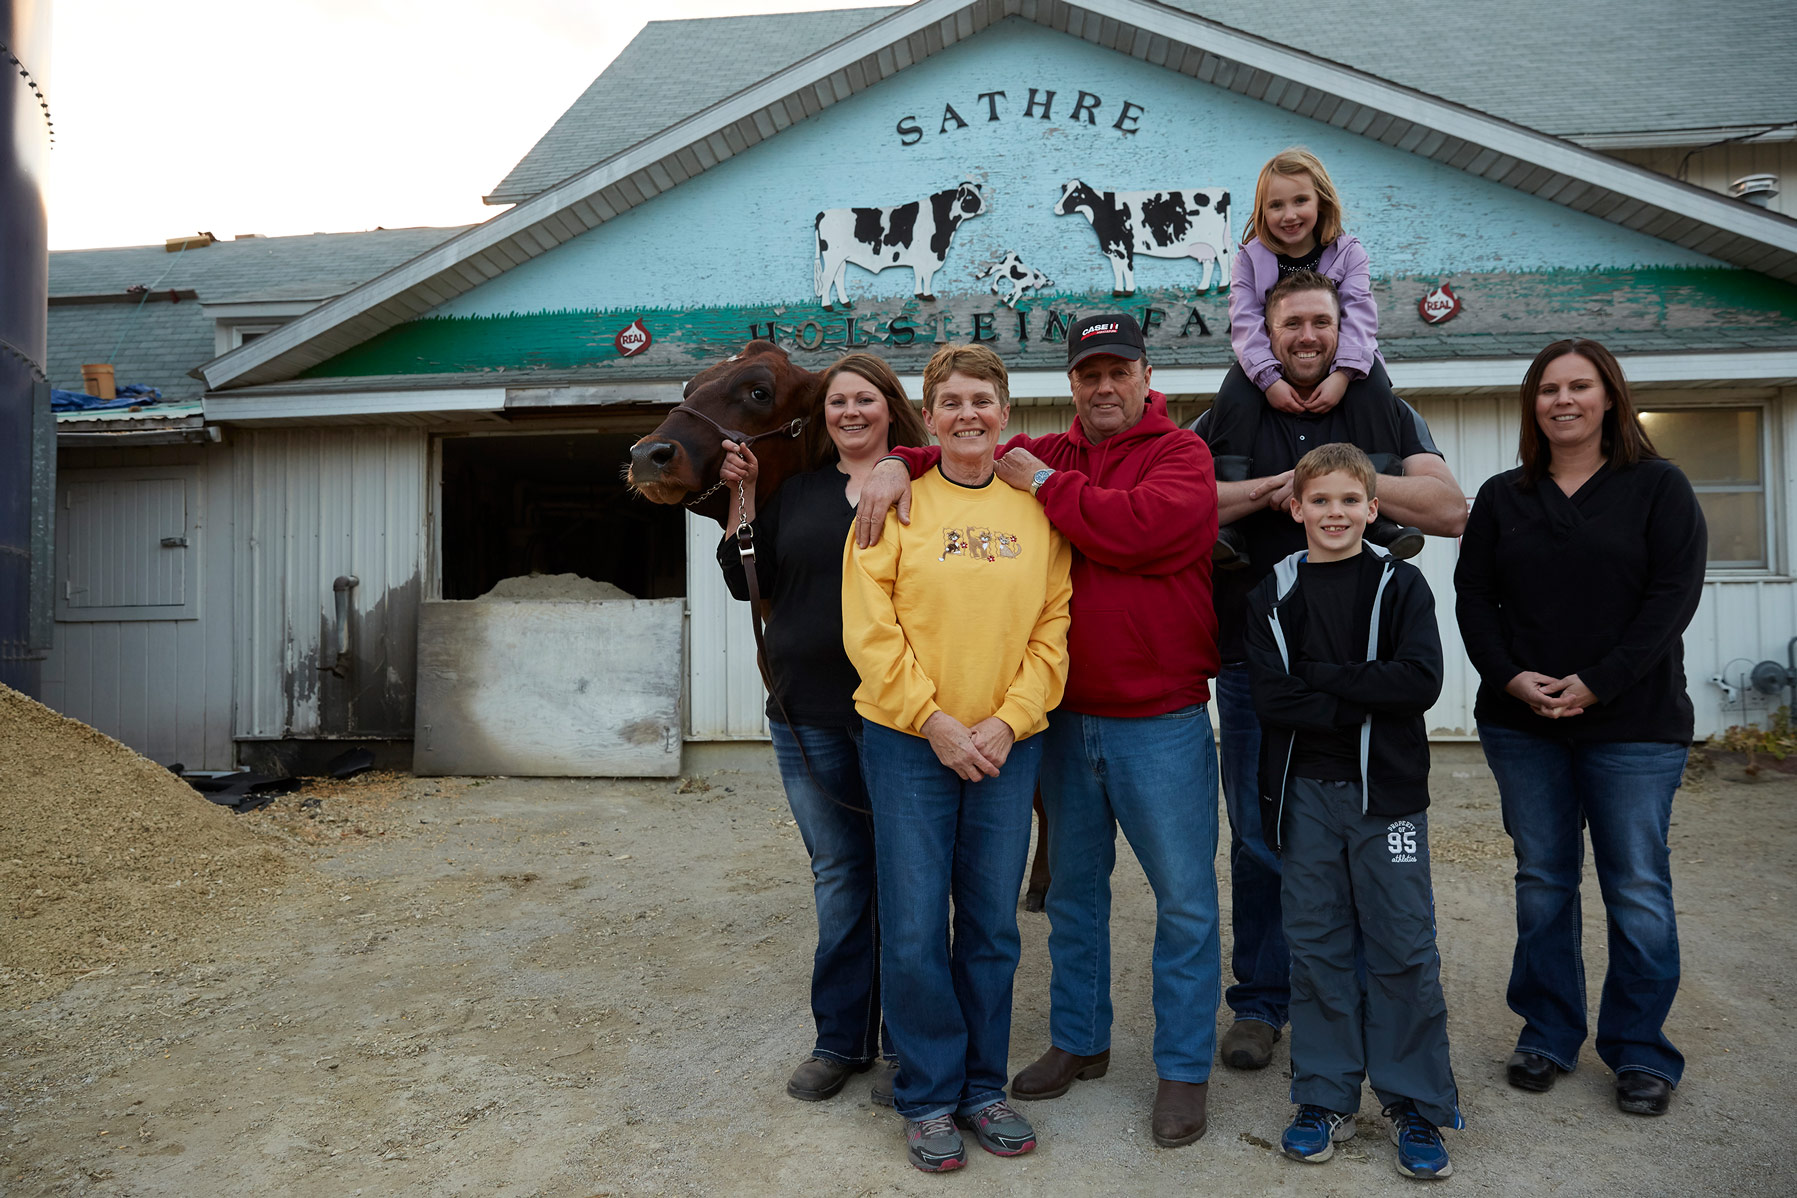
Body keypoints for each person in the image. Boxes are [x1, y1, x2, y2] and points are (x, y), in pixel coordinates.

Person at [856, 314, 1223, 1149]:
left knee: (1185, 904)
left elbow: (1143, 532)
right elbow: (960, 449)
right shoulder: (1045, 454)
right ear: (1069, 384)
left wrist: (1045, 488)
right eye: (1087, 374)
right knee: (1071, 897)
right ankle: (1079, 1042)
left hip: (1158, 719)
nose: (1103, 386)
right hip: (1061, 723)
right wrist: (890, 461)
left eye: (1116, 371)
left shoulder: (1180, 457)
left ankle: (1180, 1072)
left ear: (1143, 373)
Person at [1192, 270, 1468, 1074]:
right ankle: (1262, 1003)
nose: (1305, 337)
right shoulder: (1223, 417)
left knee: (1365, 833)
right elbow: (1183, 509)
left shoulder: (1386, 409)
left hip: (1368, 663)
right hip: (1256, 664)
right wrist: (1271, 490)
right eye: (1290, 325)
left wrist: (1338, 487)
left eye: (1319, 322)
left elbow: (1450, 510)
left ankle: (1349, 993)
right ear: (1263, 336)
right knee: (1258, 834)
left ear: (1341, 329)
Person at [1454, 338, 1706, 1118]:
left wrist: (1597, 683)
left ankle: (1639, 1051)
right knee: (1543, 882)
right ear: (1532, 404)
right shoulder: (1503, 496)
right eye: (1547, 389)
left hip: (1633, 722)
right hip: (1521, 724)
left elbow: (1671, 599)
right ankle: (1547, 1032)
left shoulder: (1656, 488)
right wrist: (1507, 678)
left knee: (1634, 887)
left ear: (1609, 398)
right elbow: (1473, 599)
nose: (1562, 400)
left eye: (1578, 386)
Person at [842, 343, 1073, 1173]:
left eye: (982, 400)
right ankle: (929, 1095)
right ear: (929, 418)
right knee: (911, 927)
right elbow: (869, 631)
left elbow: (1054, 627)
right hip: (909, 744)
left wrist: (1010, 721)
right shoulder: (891, 503)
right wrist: (933, 720)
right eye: (951, 403)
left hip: (1006, 745)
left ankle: (983, 1085)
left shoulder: (1035, 511)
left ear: (1005, 414)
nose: (967, 414)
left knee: (989, 924)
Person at [715, 352, 930, 1107]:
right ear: (823, 417)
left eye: (865, 400)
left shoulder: (919, 488)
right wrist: (742, 496)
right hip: (804, 714)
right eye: (838, 402)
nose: (850, 412)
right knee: (839, 877)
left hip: (897, 718)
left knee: (907, 882)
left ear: (889, 408)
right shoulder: (798, 492)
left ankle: (910, 1044)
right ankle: (840, 1040)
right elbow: (748, 576)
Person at [1243, 442, 1462, 1181]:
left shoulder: (1399, 585)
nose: (1333, 513)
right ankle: (1323, 1095)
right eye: (1320, 501)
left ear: (1373, 509)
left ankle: (1414, 1106)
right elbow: (1272, 699)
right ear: (1296, 507)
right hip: (1305, 796)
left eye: (1348, 501)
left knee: (1403, 949)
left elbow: (1418, 681)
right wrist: (1360, 693)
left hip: (1386, 798)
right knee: (1316, 946)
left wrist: (1323, 682)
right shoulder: (1272, 590)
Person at [1212, 147, 1420, 567]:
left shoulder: (1348, 252)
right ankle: (1230, 524)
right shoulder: (1250, 258)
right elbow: (1246, 322)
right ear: (1261, 211)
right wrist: (1267, 379)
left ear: (1321, 201)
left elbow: (1359, 315)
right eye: (1276, 205)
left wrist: (1345, 373)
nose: (1289, 214)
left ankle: (1382, 518)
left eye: (1300, 201)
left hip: (1349, 360)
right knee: (1233, 394)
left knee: (1374, 387)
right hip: (1264, 362)